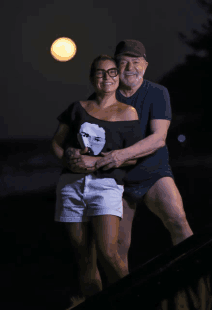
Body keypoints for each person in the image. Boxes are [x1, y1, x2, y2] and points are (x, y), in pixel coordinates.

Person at [64, 39, 194, 272]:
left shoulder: (157, 92)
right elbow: (83, 138)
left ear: (145, 66)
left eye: (136, 62)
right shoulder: (100, 97)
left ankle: (195, 279)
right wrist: (73, 151)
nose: (131, 68)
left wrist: (119, 155)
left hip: (154, 172)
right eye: (124, 63)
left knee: (178, 220)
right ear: (114, 67)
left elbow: (159, 138)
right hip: (117, 180)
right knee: (119, 246)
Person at [52, 54, 143, 307]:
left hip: (106, 186)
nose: (106, 77)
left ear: (118, 76)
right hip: (71, 187)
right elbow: (57, 144)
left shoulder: (128, 112)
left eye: (112, 72)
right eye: (100, 72)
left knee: (108, 253)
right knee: (84, 258)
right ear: (92, 77)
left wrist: (100, 162)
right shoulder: (77, 107)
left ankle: (135, 301)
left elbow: (133, 157)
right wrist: (67, 159)